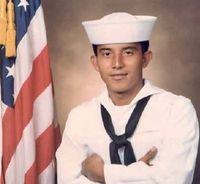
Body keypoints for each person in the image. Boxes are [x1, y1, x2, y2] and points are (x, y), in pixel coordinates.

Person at [56, 12, 199, 184]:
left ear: (145, 59)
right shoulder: (79, 118)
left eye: (128, 52)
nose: (117, 64)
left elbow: (174, 179)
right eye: (107, 54)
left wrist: (103, 174)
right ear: (95, 62)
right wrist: (139, 174)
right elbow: (67, 180)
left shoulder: (177, 110)